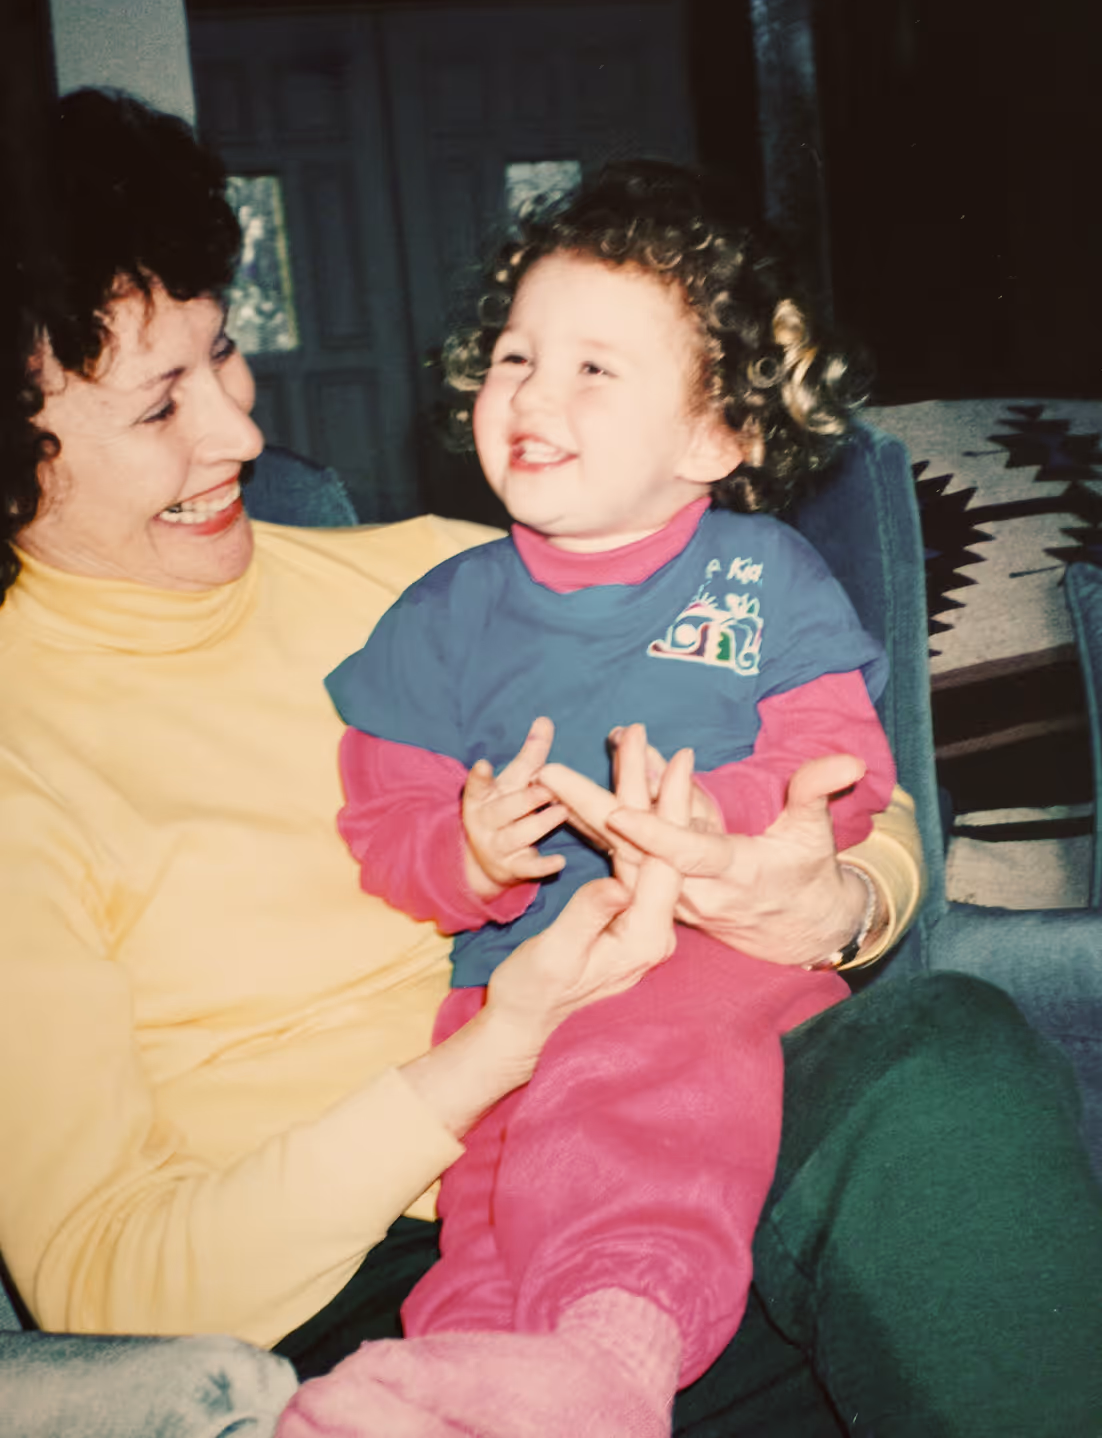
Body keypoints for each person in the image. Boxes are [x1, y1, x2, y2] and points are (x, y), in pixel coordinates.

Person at [0, 88, 1099, 1438]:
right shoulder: (18, 755)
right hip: (375, 1275)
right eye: (160, 402)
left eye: (222, 354)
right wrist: (502, 1040)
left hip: (695, 1114)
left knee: (944, 1059)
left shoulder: (435, 576)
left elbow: (848, 791)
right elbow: (103, 1281)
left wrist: (830, 897)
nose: (238, 432)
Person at [305, 162, 897, 1435]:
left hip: (706, 958)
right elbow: (381, 829)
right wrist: (464, 852)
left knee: (625, 1105)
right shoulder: (438, 614)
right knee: (494, 1188)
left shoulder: (765, 577)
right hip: (514, 986)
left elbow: (843, 769)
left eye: (593, 368)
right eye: (515, 357)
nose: (531, 393)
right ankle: (451, 1392)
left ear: (716, 434)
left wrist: (719, 830)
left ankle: (611, 1362)